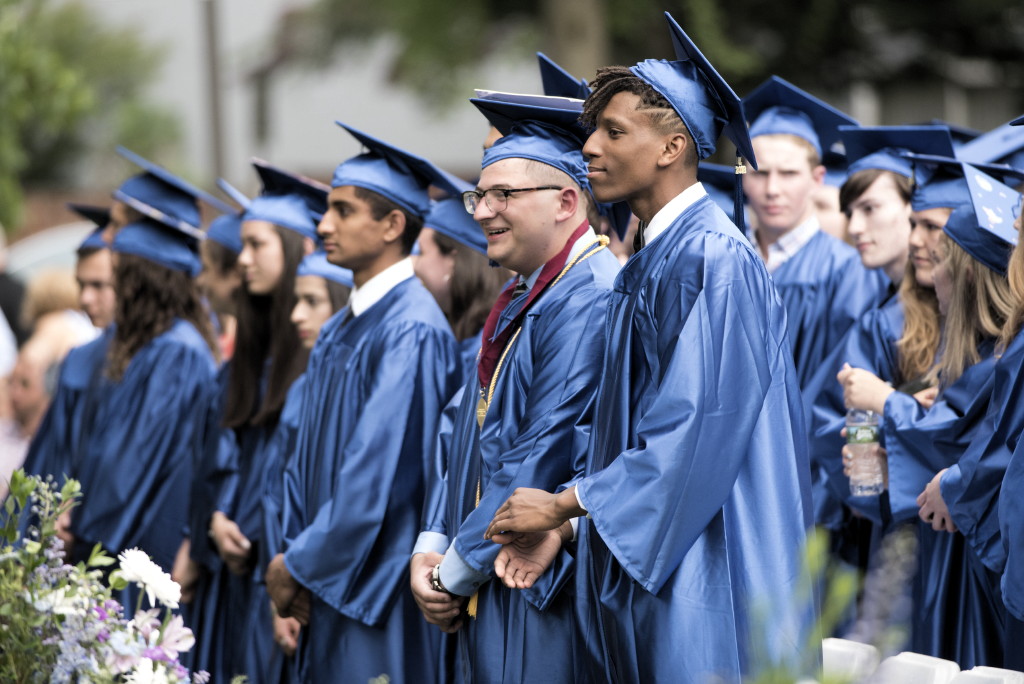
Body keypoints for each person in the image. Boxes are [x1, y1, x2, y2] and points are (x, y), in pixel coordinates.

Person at [484, 14, 814, 683]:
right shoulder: (656, 258)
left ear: (671, 147)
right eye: (591, 133)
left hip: (713, 567)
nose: (590, 151)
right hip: (662, 558)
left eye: (613, 132)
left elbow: (688, 438)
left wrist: (563, 504)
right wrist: (572, 527)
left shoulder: (711, 258)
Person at [410, 94, 620, 683]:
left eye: (504, 195)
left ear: (566, 202)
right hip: (490, 568)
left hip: (540, 584)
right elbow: (465, 436)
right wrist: (432, 542)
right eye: (481, 195)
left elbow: (540, 453)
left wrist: (448, 573)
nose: (481, 211)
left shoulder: (590, 298)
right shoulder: (525, 298)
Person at [266, 123, 460, 683]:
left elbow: (378, 475)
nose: (323, 225)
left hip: (376, 589)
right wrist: (294, 558)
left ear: (393, 225)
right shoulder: (340, 329)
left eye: (343, 210)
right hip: (325, 578)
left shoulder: (411, 330)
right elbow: (303, 462)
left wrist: (297, 564)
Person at [840, 160, 1018, 668]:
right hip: (907, 530)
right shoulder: (884, 324)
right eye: (914, 225)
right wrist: (867, 459)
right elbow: (852, 427)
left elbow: (963, 441)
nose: (922, 245)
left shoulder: (1000, 354)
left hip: (954, 542)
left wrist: (887, 402)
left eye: (933, 229)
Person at [24, 212, 220, 612]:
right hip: (89, 542)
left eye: (102, 284)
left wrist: (77, 521)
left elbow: (133, 466)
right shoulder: (88, 357)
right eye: (81, 285)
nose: (85, 299)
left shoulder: (173, 354)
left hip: (134, 551)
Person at [185, 162, 321, 684]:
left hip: (280, 571)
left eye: (256, 245)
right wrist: (214, 518)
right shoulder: (247, 361)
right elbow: (220, 454)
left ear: (293, 249)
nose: (242, 261)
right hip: (235, 568)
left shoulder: (315, 360)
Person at [741, 76, 889, 391]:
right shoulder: (723, 256)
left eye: (789, 174)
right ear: (742, 176)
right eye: (761, 173)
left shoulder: (850, 272)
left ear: (818, 178)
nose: (772, 190)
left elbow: (840, 386)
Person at [257, 250, 352, 672]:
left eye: (313, 301)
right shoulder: (300, 388)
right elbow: (281, 489)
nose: (297, 315)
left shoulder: (352, 387)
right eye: (297, 300)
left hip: (328, 579)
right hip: (289, 572)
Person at [415, 185, 510, 383]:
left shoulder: (490, 347)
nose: (415, 264)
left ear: (452, 258)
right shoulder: (461, 338)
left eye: (422, 252)